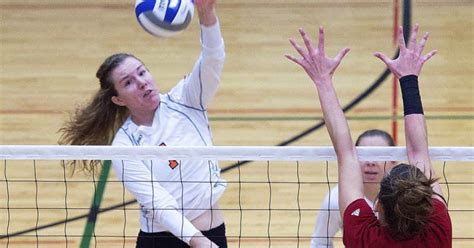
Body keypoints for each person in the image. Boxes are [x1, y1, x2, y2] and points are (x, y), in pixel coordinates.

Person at [58, 0, 227, 247]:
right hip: (162, 240)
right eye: (128, 82)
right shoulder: (124, 146)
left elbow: (213, 60)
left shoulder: (186, 100)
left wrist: (207, 14)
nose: (142, 82)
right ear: (118, 99)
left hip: (212, 233)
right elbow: (159, 204)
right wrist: (199, 243)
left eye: (142, 72)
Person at [287, 24, 451, 247]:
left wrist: (322, 80)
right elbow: (418, 151)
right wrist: (409, 79)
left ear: (377, 206)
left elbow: (346, 153)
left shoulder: (363, 236)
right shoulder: (437, 230)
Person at [310, 129, 396, 247]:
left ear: (394, 161)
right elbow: (320, 243)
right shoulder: (336, 200)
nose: (371, 162)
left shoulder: (406, 198)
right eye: (364, 155)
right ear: (354, 160)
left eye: (378, 155)